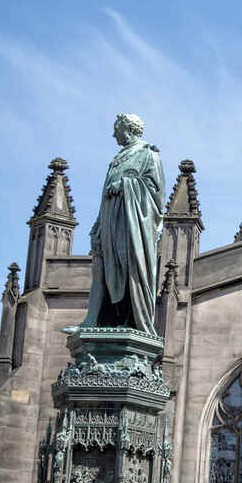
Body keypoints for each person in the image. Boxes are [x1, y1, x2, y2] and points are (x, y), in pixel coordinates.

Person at [80, 113, 165, 332]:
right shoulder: (118, 158)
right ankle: (94, 320)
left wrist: (126, 184)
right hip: (110, 222)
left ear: (129, 129)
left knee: (129, 269)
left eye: (116, 129)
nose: (113, 133)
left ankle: (130, 319)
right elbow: (104, 196)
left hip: (132, 226)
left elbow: (155, 194)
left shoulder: (148, 154)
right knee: (103, 269)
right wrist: (99, 223)